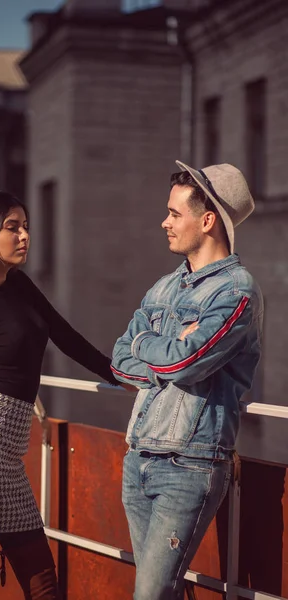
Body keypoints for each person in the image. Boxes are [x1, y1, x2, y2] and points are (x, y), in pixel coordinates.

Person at [0, 191, 120, 600]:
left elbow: (64, 334)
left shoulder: (19, 285)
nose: (25, 236)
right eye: (12, 227)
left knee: (42, 579)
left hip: (9, 454)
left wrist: (119, 373)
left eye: (25, 226)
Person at [111, 161, 263, 600]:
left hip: (189, 465)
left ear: (208, 219)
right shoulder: (163, 288)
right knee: (161, 592)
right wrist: (158, 344)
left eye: (175, 213)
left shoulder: (236, 293)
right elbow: (119, 361)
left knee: (152, 595)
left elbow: (186, 365)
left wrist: (151, 346)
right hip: (138, 457)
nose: (165, 222)